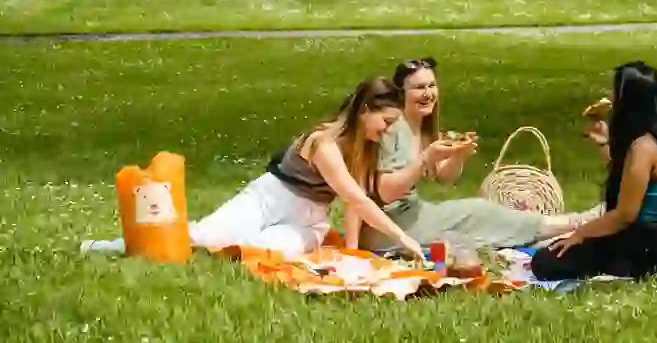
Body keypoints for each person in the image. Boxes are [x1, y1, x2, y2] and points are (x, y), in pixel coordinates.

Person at [80, 76, 425, 260]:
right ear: (365, 110)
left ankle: (228, 249)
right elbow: (358, 200)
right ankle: (107, 247)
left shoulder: (364, 149)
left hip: (310, 217)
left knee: (264, 252)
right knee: (204, 236)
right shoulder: (324, 143)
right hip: (271, 197)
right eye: (386, 119)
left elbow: (364, 199)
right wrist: (402, 237)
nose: (389, 128)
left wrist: (353, 253)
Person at [352, 57, 588, 252]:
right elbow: (386, 192)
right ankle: (573, 224)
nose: (428, 93)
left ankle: (565, 227)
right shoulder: (391, 128)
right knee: (477, 213)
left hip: (412, 215)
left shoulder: (423, 128)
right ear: (400, 93)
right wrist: (426, 159)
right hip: (388, 226)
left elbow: (445, 179)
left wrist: (458, 156)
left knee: (475, 218)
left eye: (431, 86)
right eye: (419, 88)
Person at [529, 61, 657, 281]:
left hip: (640, 248)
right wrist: (603, 143)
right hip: (642, 240)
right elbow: (629, 177)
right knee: (556, 249)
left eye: (615, 91)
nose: (610, 97)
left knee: (544, 262)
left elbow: (625, 215)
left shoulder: (643, 149)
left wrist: (580, 233)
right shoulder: (651, 140)